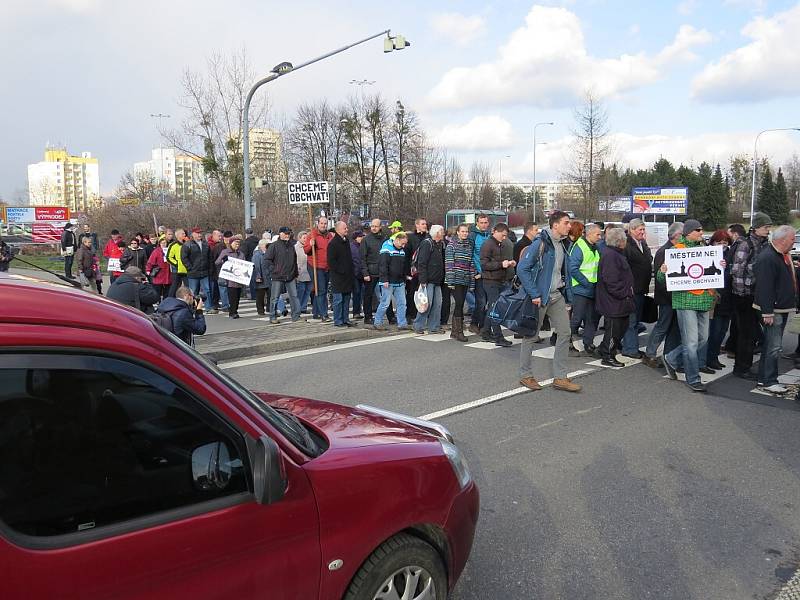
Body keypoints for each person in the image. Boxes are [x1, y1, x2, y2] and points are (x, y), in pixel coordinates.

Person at [517, 211, 582, 393]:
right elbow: (522, 269)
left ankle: (560, 377)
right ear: (555, 225)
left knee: (565, 333)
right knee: (530, 335)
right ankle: (525, 375)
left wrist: (567, 296)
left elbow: (562, 272)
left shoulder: (563, 243)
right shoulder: (541, 243)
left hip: (556, 296)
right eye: (566, 223)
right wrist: (534, 293)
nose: (569, 226)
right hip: (540, 297)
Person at [660, 220, 719, 393]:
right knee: (691, 342)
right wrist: (663, 271)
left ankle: (671, 357)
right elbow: (662, 279)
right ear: (689, 232)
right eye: (699, 230)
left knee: (703, 339)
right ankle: (693, 378)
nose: (702, 233)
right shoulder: (676, 250)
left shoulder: (705, 250)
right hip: (685, 301)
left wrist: (720, 267)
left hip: (703, 300)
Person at [753, 225, 797, 393]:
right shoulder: (768, 257)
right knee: (773, 347)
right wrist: (767, 311)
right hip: (773, 310)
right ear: (782, 240)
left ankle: (765, 379)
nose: (794, 242)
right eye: (792, 239)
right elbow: (765, 287)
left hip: (779, 308)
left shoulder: (781, 255)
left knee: (771, 346)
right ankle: (769, 381)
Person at [730, 212, 772, 380]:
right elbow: (737, 270)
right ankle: (741, 368)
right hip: (744, 295)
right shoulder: (746, 244)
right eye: (765, 227)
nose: (768, 230)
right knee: (746, 334)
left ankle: (744, 366)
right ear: (756, 228)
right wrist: (757, 268)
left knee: (751, 333)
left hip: (756, 294)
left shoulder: (764, 243)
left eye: (768, 227)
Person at [643, 222, 684, 368]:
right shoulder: (664, 251)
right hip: (666, 297)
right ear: (676, 235)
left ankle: (668, 354)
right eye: (683, 234)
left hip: (677, 296)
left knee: (673, 328)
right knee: (662, 326)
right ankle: (650, 353)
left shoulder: (678, 249)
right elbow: (661, 278)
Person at [594, 227, 636, 367]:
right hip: (614, 301)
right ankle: (608, 355)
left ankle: (605, 350)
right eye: (625, 239)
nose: (626, 242)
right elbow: (611, 280)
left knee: (620, 328)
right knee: (614, 331)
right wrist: (624, 294)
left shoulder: (615, 254)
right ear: (620, 241)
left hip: (619, 301)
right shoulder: (611, 255)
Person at [567, 222, 601, 356]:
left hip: (592, 288)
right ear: (590, 234)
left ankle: (588, 343)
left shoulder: (595, 247)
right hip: (581, 288)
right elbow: (573, 269)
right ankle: (565, 341)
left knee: (591, 318)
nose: (600, 237)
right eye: (598, 234)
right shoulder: (579, 246)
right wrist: (586, 283)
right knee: (577, 318)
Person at [479, 223, 515, 346]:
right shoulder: (488, 244)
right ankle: (498, 337)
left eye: (505, 236)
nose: (504, 238)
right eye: (503, 235)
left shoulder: (498, 243)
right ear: (496, 232)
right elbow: (484, 264)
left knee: (493, 308)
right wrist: (501, 264)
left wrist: (509, 263)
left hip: (499, 279)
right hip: (490, 281)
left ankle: (485, 332)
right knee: (495, 309)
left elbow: (496, 261)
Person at [621, 218, 652, 359]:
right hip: (632, 289)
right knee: (632, 321)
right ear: (631, 230)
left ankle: (629, 345)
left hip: (641, 288)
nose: (642, 232)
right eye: (640, 229)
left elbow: (648, 259)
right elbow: (623, 267)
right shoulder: (626, 244)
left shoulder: (642, 243)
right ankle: (630, 348)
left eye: (643, 229)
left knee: (636, 320)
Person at [705, 230, 734, 370]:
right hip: (715, 299)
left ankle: (714, 356)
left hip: (728, 298)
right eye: (719, 242)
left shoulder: (730, 255)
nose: (722, 245)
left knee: (722, 331)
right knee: (714, 332)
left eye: (725, 242)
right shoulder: (709, 254)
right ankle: (709, 357)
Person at [373, 232, 411, 331]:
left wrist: (405, 276)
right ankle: (377, 322)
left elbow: (402, 266)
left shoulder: (401, 250)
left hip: (399, 281)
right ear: (397, 240)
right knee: (385, 303)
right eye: (402, 243)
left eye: (404, 244)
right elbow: (383, 265)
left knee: (402, 303)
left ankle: (402, 323)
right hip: (388, 281)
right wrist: (384, 279)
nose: (403, 246)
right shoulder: (386, 249)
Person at [445, 223, 476, 342]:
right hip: (455, 279)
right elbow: (449, 264)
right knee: (458, 305)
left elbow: (471, 264)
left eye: (466, 232)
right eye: (462, 231)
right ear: (457, 232)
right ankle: (459, 331)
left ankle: (454, 331)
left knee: (461, 304)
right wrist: (451, 281)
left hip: (465, 279)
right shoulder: (451, 246)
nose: (465, 233)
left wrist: (472, 281)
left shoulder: (469, 245)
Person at [414, 224, 446, 335]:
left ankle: (434, 326)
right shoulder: (427, 244)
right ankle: (418, 325)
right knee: (425, 304)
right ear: (437, 233)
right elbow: (421, 263)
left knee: (437, 304)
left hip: (436, 280)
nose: (443, 234)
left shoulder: (440, 244)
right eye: (442, 232)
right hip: (428, 280)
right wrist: (423, 280)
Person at [264, 227, 301, 324]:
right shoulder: (274, 246)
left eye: (288, 233)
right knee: (275, 297)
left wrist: (295, 273)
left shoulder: (291, 246)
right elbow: (267, 260)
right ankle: (272, 316)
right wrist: (274, 270)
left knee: (294, 296)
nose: (287, 235)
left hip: (290, 275)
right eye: (285, 233)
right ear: (280, 234)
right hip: (278, 275)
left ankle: (296, 316)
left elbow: (294, 260)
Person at [326, 221, 356, 328]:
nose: (347, 229)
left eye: (347, 227)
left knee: (347, 299)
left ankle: (345, 319)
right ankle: (338, 320)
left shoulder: (346, 241)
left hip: (348, 276)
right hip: (338, 277)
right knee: (338, 300)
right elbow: (331, 262)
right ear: (338, 230)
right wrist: (341, 270)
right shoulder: (333, 244)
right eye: (345, 228)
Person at [304, 216, 333, 322]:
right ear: (318, 223)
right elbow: (306, 250)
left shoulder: (329, 235)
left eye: (325, 224)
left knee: (322, 290)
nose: (324, 225)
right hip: (315, 265)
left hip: (327, 266)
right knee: (321, 290)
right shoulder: (312, 235)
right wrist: (310, 244)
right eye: (322, 223)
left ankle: (316, 312)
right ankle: (323, 314)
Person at [361, 218, 390, 325]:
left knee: (386, 295)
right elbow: (362, 258)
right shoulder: (366, 240)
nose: (373, 228)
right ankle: (367, 316)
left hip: (383, 271)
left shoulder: (385, 239)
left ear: (380, 227)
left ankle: (390, 316)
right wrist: (365, 273)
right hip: (371, 271)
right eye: (372, 226)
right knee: (368, 295)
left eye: (376, 226)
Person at [468, 214, 492, 335]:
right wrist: (475, 271)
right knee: (481, 301)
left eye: (485, 222)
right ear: (477, 223)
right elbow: (470, 254)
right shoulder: (473, 236)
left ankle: (482, 324)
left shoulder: (490, 236)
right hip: (478, 273)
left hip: (489, 273)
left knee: (487, 301)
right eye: (481, 222)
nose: (483, 225)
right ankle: (476, 324)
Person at [182, 227, 213, 312]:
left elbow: (209, 258)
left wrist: (209, 269)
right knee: (193, 291)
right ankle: (193, 307)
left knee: (207, 290)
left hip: (204, 271)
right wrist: (190, 268)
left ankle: (208, 307)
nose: (199, 234)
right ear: (193, 234)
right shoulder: (187, 244)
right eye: (197, 233)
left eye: (200, 233)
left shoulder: (205, 244)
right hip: (193, 273)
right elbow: (184, 258)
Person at [215, 236, 246, 318]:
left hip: (239, 278)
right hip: (229, 279)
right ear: (231, 243)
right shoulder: (225, 252)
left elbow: (245, 263)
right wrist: (223, 260)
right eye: (236, 243)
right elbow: (217, 262)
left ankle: (235, 310)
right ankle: (232, 312)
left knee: (237, 297)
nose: (237, 245)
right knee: (232, 296)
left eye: (238, 243)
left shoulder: (241, 253)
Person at [406, 218, 430, 321]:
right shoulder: (411, 238)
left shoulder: (428, 237)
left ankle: (422, 315)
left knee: (424, 294)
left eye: (425, 224)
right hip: (413, 271)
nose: (425, 226)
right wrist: (407, 272)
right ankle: (410, 314)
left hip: (425, 270)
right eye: (423, 224)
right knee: (412, 293)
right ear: (417, 225)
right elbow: (407, 255)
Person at [146, 235, 172, 299]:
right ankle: (156, 301)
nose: (164, 244)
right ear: (159, 244)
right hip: (159, 273)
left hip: (168, 273)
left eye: (165, 243)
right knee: (157, 290)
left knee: (167, 290)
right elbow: (150, 261)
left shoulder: (169, 250)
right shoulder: (156, 251)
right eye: (162, 243)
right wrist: (148, 270)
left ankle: (165, 301)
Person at [253, 238, 273, 316]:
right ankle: (260, 310)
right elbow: (256, 266)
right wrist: (258, 276)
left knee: (270, 294)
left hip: (268, 277)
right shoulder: (257, 255)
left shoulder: (268, 254)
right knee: (260, 295)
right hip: (261, 278)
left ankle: (269, 308)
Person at [167, 228, 189, 298]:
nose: (184, 235)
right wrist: (176, 264)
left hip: (187, 269)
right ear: (178, 235)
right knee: (174, 286)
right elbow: (168, 257)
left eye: (184, 233)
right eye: (183, 233)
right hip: (176, 270)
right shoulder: (173, 245)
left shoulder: (187, 244)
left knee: (188, 287)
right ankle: (170, 300)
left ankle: (190, 301)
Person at [295, 231, 312, 314]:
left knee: (307, 291)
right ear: (299, 238)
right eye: (304, 238)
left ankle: (303, 307)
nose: (306, 240)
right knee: (301, 291)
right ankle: (298, 307)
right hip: (300, 272)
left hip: (309, 271)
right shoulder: (296, 247)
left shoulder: (309, 246)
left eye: (307, 238)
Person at [207, 229, 224, 310]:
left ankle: (216, 302)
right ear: (213, 236)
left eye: (221, 236)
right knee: (212, 288)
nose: (220, 237)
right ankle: (212, 303)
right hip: (212, 269)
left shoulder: (219, 245)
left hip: (217, 269)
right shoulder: (210, 245)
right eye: (219, 236)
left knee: (216, 287)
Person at [350, 230, 365, 319]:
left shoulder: (362, 246)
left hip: (361, 273)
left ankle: (358, 311)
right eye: (360, 237)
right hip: (355, 274)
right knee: (356, 293)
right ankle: (356, 312)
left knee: (361, 293)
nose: (362, 238)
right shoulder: (352, 247)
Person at [242, 227, 260, 300]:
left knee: (252, 280)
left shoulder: (246, 242)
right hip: (259, 260)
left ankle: (254, 295)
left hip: (249, 262)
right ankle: (259, 294)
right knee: (259, 278)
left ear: (246, 234)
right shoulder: (258, 241)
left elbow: (244, 253)